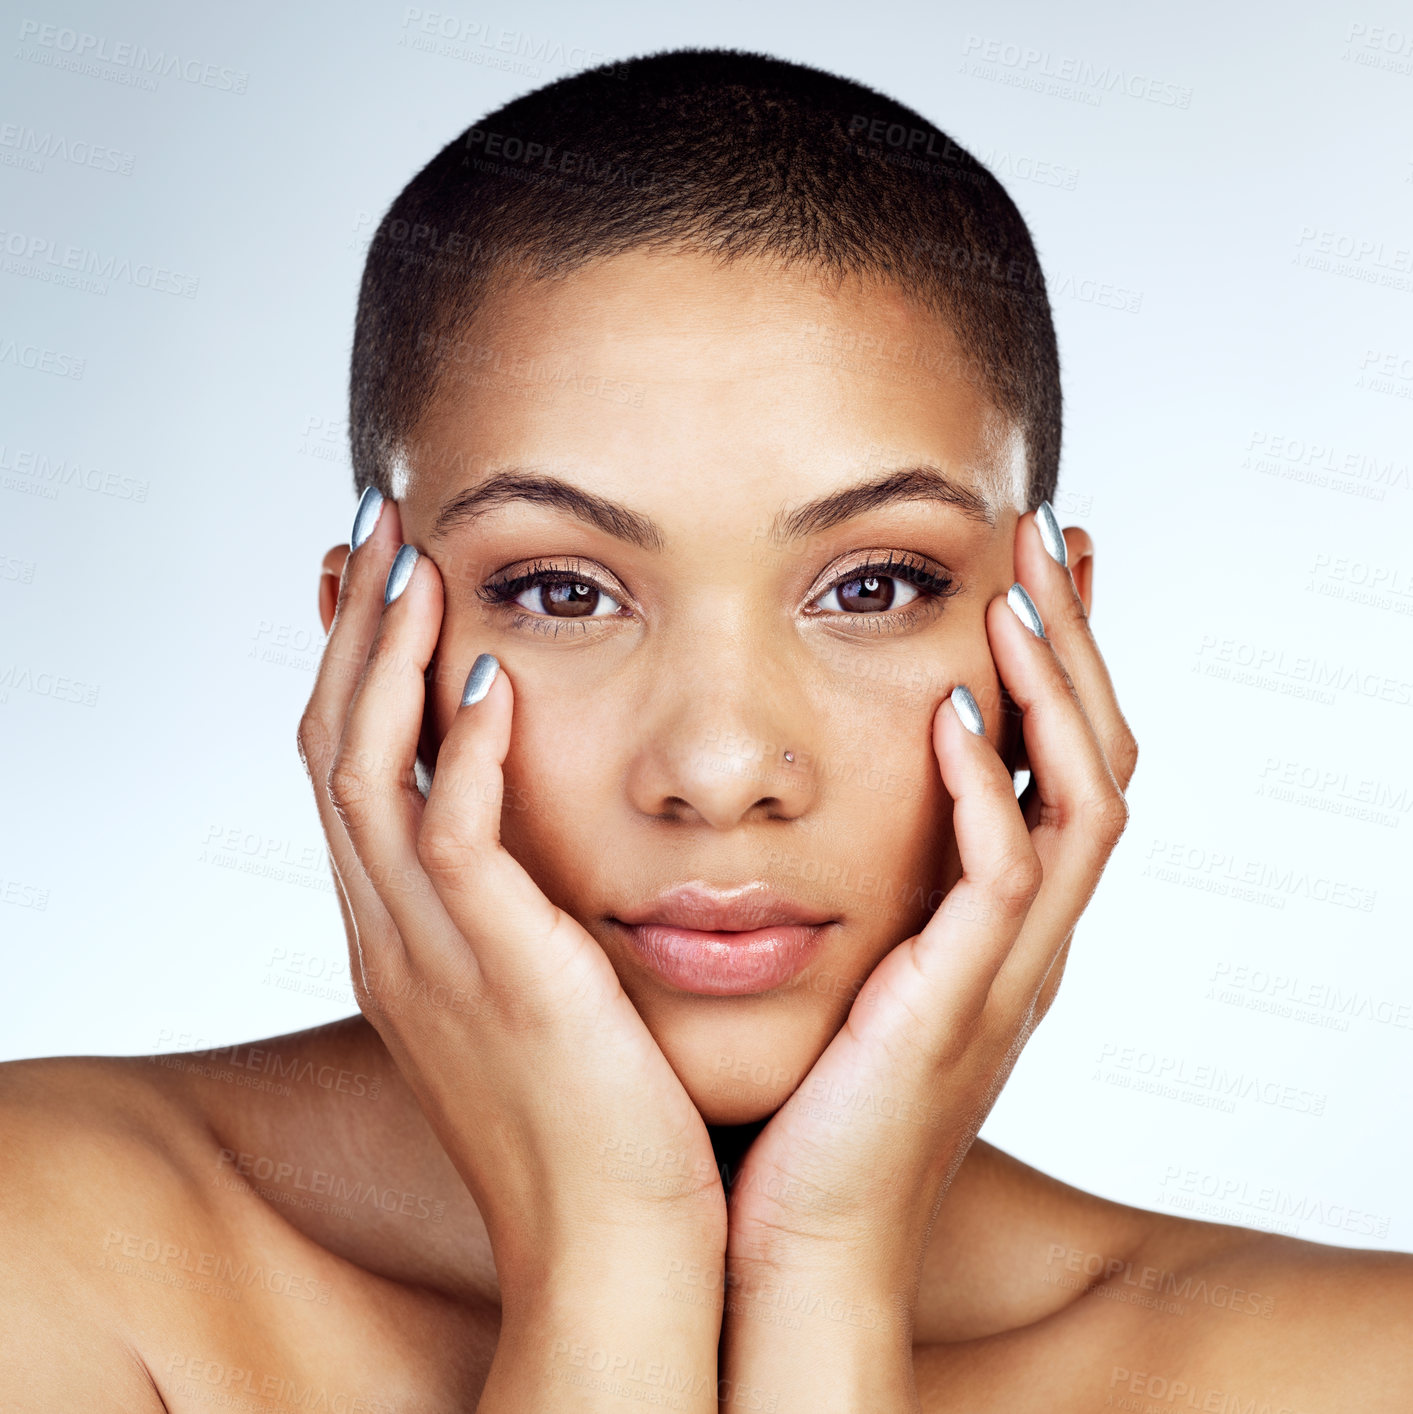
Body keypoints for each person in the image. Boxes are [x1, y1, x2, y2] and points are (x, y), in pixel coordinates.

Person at [3, 46, 1409, 1414]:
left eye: (873, 586)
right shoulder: (53, 1250)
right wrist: (605, 1260)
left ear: (1048, 637)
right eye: (563, 589)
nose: (721, 770)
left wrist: (825, 1276)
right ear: (374, 641)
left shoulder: (1351, 1368)